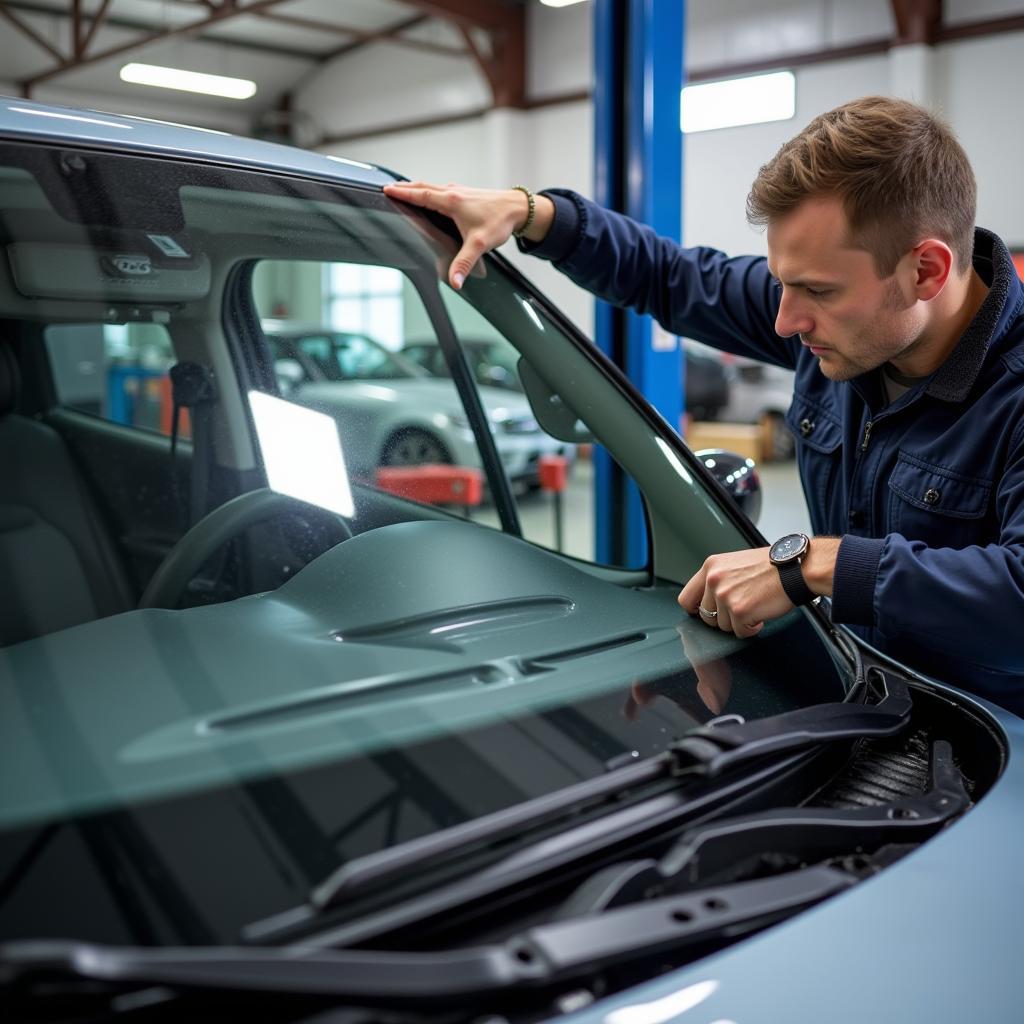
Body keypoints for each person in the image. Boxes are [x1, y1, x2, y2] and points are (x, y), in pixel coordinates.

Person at [383, 96, 1024, 714]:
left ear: (927, 272)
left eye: (816, 290)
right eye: (779, 283)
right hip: (870, 701)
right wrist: (535, 214)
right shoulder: (841, 333)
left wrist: (812, 565)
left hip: (993, 746)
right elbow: (673, 277)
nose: (783, 321)